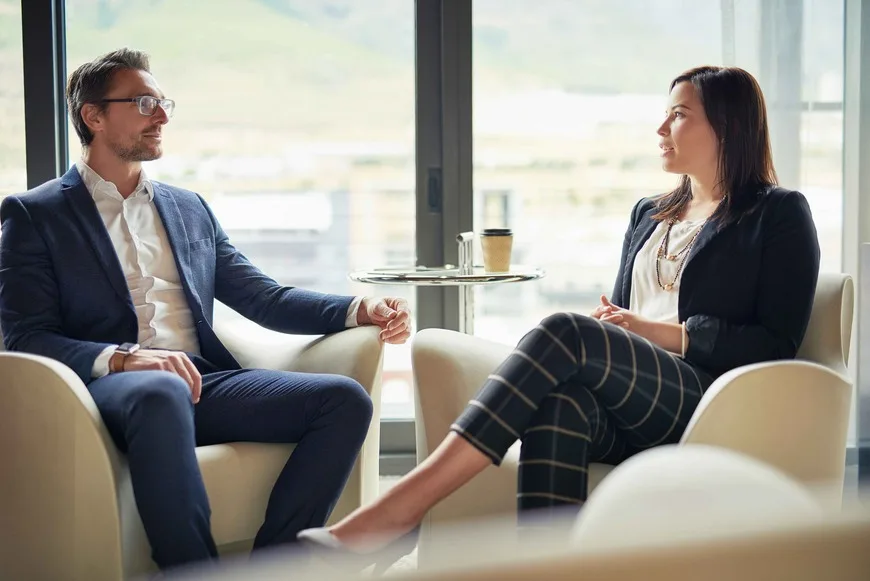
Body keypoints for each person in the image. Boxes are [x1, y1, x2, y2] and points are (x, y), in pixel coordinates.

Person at [297, 65, 821, 569]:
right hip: (634, 398)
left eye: (679, 115)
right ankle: (549, 567)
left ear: (728, 127)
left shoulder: (778, 214)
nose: (661, 128)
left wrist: (658, 333)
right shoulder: (650, 213)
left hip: (707, 401)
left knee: (565, 330)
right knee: (560, 405)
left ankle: (403, 507)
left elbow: (776, 342)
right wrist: (616, 329)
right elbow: (624, 311)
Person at [0, 48, 412, 573]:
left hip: (205, 383)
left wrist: (360, 308)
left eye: (163, 102)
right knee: (160, 388)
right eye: (144, 103)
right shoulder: (35, 214)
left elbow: (264, 298)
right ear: (93, 116)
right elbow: (28, 337)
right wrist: (127, 358)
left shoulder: (188, 207)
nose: (162, 116)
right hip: (114, 389)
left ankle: (278, 566)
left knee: (343, 400)